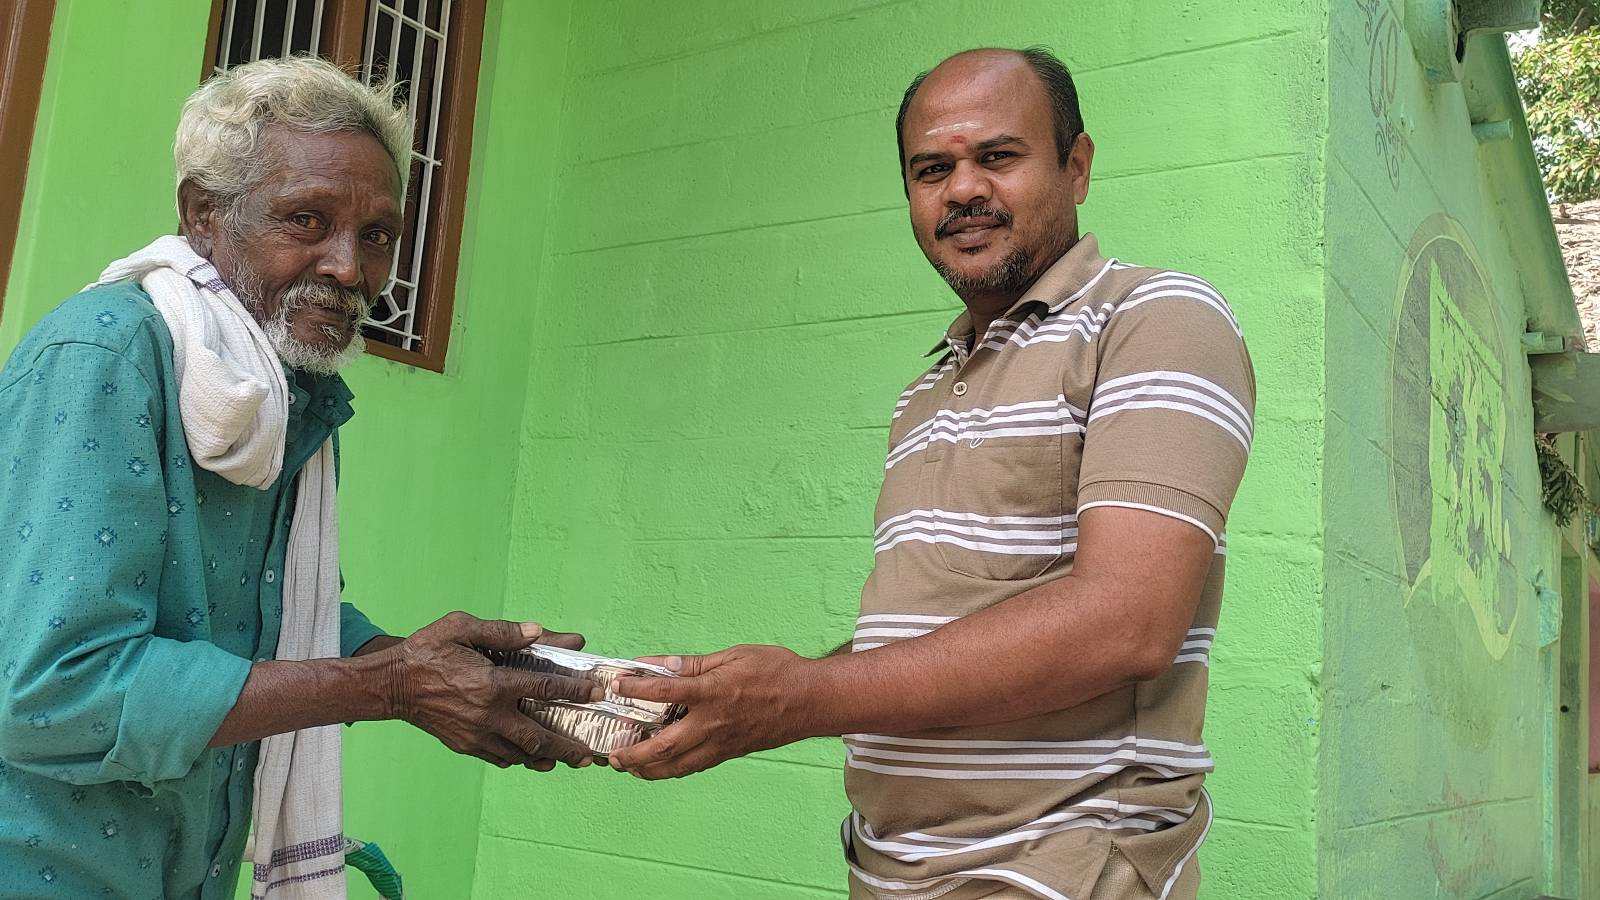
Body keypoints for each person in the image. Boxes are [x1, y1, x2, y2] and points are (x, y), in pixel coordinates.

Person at [609, 47, 1256, 900]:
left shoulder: (1153, 318)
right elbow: (923, 645)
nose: (961, 190)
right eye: (931, 168)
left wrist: (803, 697)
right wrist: (738, 700)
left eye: (998, 156)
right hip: (894, 870)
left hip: (1059, 866)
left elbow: (1127, 620)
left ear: (1077, 165)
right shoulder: (928, 388)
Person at [0, 57, 596, 900]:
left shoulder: (284, 389)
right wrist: (391, 686)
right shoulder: (107, 355)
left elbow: (275, 617)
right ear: (204, 214)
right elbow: (55, 691)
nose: (350, 269)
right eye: (306, 219)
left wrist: (430, 665)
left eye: (377, 235)